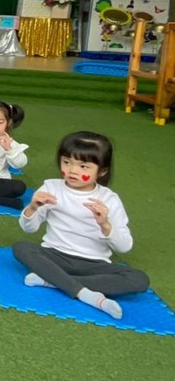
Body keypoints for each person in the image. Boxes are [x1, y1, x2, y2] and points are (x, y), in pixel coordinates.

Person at [12, 131, 150, 320]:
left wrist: (106, 225)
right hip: (55, 256)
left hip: (94, 265)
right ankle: (87, 294)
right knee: (21, 247)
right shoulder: (51, 188)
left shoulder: (109, 199)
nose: (73, 171)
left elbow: (125, 246)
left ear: (102, 171)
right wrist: (33, 207)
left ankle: (52, 280)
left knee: (139, 279)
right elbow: (29, 229)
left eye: (83, 166)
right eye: (66, 162)